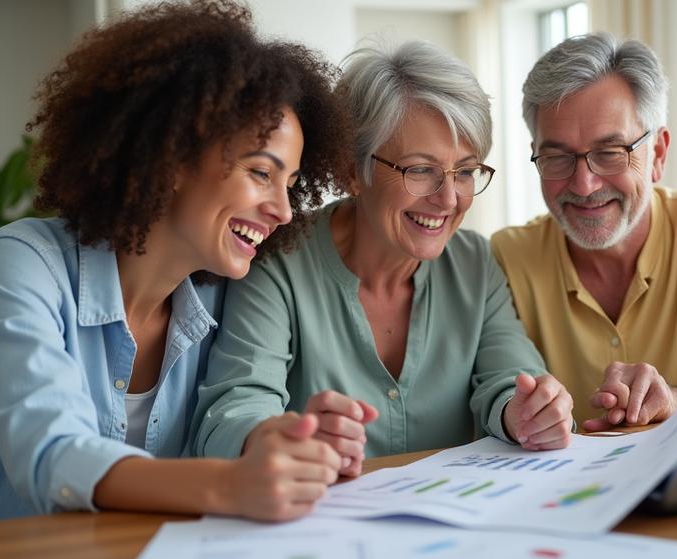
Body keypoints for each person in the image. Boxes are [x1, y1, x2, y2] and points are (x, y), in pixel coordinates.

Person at [0, 0, 353, 521]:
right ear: (173, 157)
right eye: (260, 172)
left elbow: (221, 425)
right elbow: (52, 455)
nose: (281, 209)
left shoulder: (223, 293)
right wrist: (228, 485)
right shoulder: (20, 267)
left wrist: (272, 440)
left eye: (291, 184)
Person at [193, 39, 575, 477]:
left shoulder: (473, 262)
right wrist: (274, 439)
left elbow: (510, 378)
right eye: (420, 170)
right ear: (351, 172)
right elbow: (233, 410)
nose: (448, 198)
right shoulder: (279, 261)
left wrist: (527, 411)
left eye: (466, 171)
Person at [491, 32, 677, 431]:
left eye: (610, 153)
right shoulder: (508, 256)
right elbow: (496, 392)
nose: (584, 185)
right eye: (556, 157)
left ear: (657, 153)